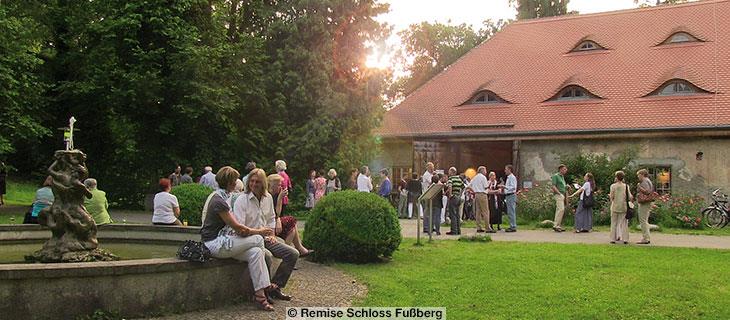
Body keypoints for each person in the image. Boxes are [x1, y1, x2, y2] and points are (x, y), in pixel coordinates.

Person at [200, 166, 274, 311]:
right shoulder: (219, 201)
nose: (237, 183)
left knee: (256, 253)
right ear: (229, 183)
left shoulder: (223, 196)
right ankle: (266, 284)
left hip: (223, 241)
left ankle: (260, 296)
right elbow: (239, 228)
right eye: (235, 180)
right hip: (214, 244)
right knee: (258, 239)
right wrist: (261, 231)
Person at [233, 168, 299, 302]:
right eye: (251, 181)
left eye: (257, 181)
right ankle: (263, 291)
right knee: (267, 256)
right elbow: (239, 227)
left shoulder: (267, 197)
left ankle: (276, 287)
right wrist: (259, 232)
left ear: (263, 183)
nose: (253, 184)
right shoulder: (242, 200)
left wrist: (272, 234)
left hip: (265, 238)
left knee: (293, 254)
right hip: (249, 239)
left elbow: (271, 218)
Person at [267, 173, 311, 256]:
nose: (280, 187)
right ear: (272, 185)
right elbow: (275, 213)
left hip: (275, 220)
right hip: (269, 224)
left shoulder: (276, 194)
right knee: (291, 220)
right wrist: (280, 198)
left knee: (292, 227)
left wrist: (280, 198)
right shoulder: (267, 196)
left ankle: (293, 251)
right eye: (279, 185)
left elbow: (278, 214)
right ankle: (296, 250)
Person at [467, 166, 495, 233]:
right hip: (482, 194)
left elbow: (469, 185)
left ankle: (478, 227)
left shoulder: (475, 177)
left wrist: (473, 190)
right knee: (485, 211)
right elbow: (485, 187)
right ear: (482, 171)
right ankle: (487, 227)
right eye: (485, 170)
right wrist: (489, 183)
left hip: (476, 194)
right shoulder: (483, 177)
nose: (486, 172)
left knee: (478, 212)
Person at [609, 171, 633, 244]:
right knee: (624, 223)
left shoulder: (613, 186)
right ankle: (625, 239)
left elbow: (612, 196)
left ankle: (613, 238)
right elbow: (630, 196)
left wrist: (611, 198)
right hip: (623, 206)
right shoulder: (626, 186)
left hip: (615, 205)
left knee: (614, 223)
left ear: (616, 177)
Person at [636, 169, 654, 245]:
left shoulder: (645, 181)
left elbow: (647, 191)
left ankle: (645, 238)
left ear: (642, 174)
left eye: (639, 175)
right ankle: (647, 237)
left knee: (643, 220)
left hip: (644, 203)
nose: (638, 177)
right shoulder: (648, 181)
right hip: (647, 202)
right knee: (645, 220)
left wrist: (639, 187)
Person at [446, 167, 464, 235]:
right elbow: (463, 187)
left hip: (453, 197)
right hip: (458, 197)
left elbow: (450, 186)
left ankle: (454, 231)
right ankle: (458, 230)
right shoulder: (459, 178)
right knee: (457, 215)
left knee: (452, 214)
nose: (448, 173)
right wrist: (460, 194)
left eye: (449, 172)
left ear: (452, 172)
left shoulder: (451, 178)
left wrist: (450, 195)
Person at [551, 164, 569, 232]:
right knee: (561, 209)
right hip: (558, 195)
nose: (565, 170)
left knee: (559, 210)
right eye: (564, 169)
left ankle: (557, 225)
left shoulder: (562, 177)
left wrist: (566, 186)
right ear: (560, 169)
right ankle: (556, 225)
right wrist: (559, 193)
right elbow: (553, 186)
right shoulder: (556, 176)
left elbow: (562, 185)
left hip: (563, 194)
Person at [503, 165, 518, 232]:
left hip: (511, 195)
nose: (505, 171)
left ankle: (513, 226)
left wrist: (505, 187)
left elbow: (513, 187)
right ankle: (512, 225)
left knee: (511, 211)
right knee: (509, 211)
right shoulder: (509, 178)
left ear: (509, 170)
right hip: (508, 195)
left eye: (506, 169)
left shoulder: (512, 177)